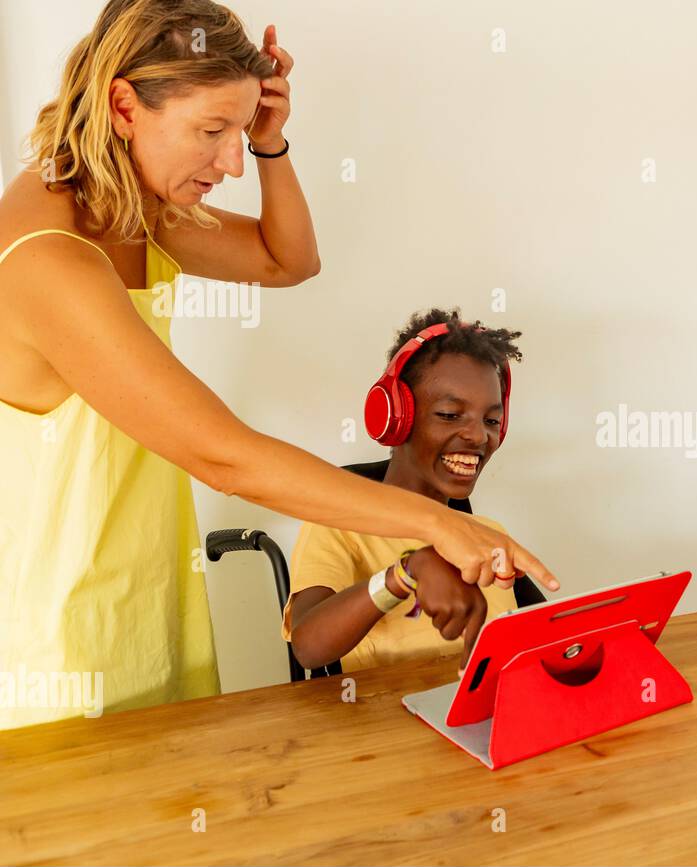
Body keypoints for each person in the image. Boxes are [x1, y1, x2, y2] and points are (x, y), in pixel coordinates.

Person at [0, 0, 557, 729]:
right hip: (57, 646)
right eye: (211, 131)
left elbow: (286, 259)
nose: (231, 162)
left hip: (146, 598)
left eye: (239, 131)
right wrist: (442, 524)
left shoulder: (135, 209)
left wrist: (272, 143)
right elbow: (222, 455)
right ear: (124, 104)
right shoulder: (49, 257)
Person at [284, 309, 542, 678]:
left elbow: (542, 636)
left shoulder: (486, 532)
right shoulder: (337, 526)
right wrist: (403, 575)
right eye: (451, 414)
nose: (478, 436)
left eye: (491, 420)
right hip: (385, 728)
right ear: (394, 417)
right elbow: (308, 646)